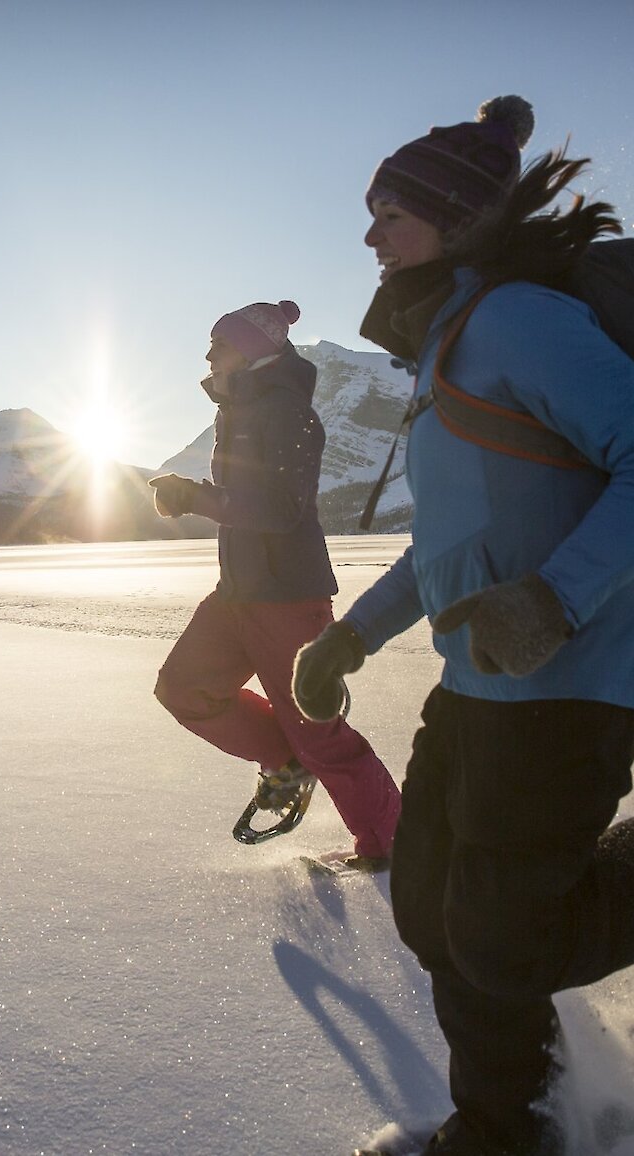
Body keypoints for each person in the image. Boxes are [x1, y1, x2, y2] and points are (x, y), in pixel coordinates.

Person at [292, 95, 634, 1156]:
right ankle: (515, 1112)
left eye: (389, 211)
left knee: (500, 936)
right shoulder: (446, 347)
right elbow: (445, 543)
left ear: (455, 217)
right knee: (435, 916)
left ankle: (502, 1134)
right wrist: (355, 634)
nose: (369, 233)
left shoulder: (519, 320)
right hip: (478, 684)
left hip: (570, 683)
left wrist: (553, 598)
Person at [151, 299, 401, 866]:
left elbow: (282, 509)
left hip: (289, 596)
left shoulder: (286, 412)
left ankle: (394, 842)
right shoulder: (238, 410)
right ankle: (286, 760)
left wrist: (196, 497)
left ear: (253, 351)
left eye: (221, 343)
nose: (209, 354)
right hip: (237, 591)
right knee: (185, 688)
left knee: (319, 732)